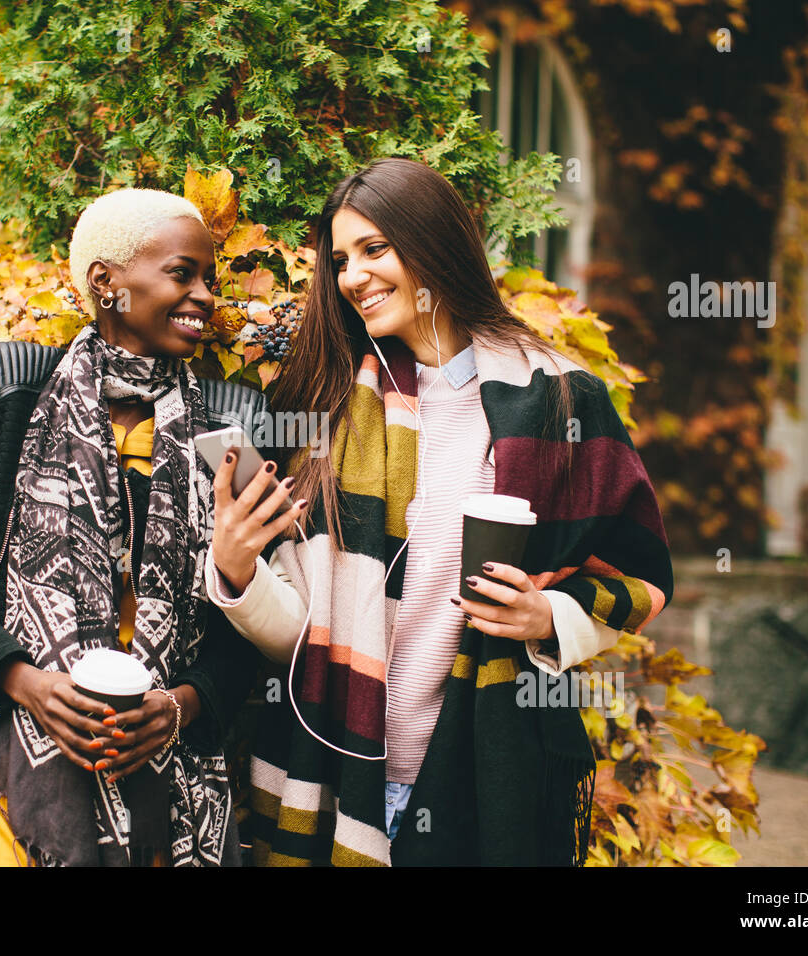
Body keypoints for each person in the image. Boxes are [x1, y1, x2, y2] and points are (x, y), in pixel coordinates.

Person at [205, 157, 675, 866]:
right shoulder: (327, 407)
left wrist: (551, 619)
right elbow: (299, 637)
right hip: (338, 776)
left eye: (373, 249)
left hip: (484, 776)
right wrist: (237, 573)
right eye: (339, 259)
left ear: (434, 243)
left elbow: (638, 573)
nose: (352, 276)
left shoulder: (558, 401)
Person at [0, 187, 265, 866]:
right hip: (13, 773)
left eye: (210, 280)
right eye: (183, 274)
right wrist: (26, 684)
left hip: (173, 793)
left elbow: (247, 627)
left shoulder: (232, 424)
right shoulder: (7, 387)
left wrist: (180, 706)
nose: (206, 297)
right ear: (108, 281)